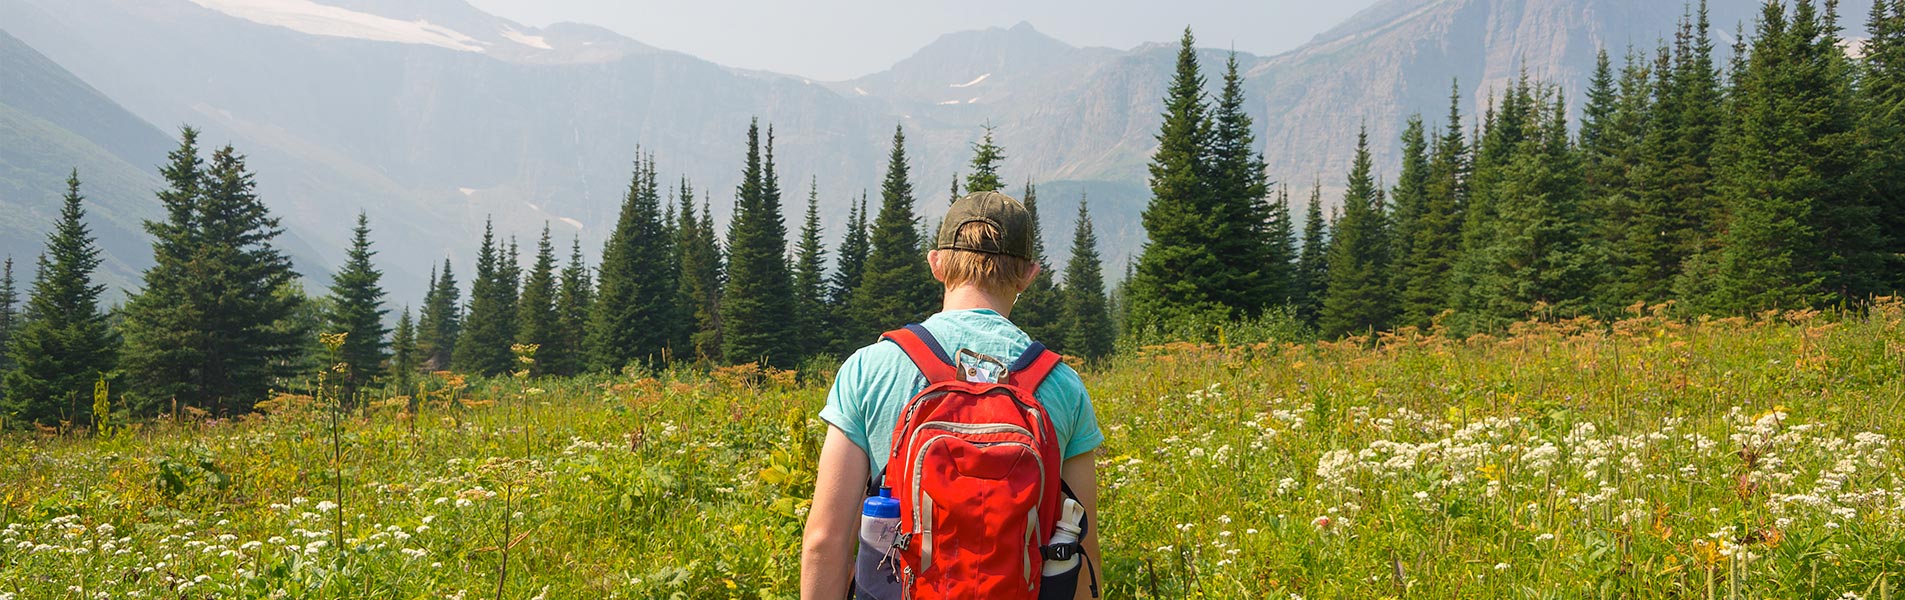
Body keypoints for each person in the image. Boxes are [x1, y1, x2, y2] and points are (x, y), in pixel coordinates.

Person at [800, 191, 1104, 599]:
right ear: (1029, 274)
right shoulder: (1061, 385)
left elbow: (825, 541)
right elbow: (1081, 552)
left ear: (937, 264)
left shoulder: (870, 368)